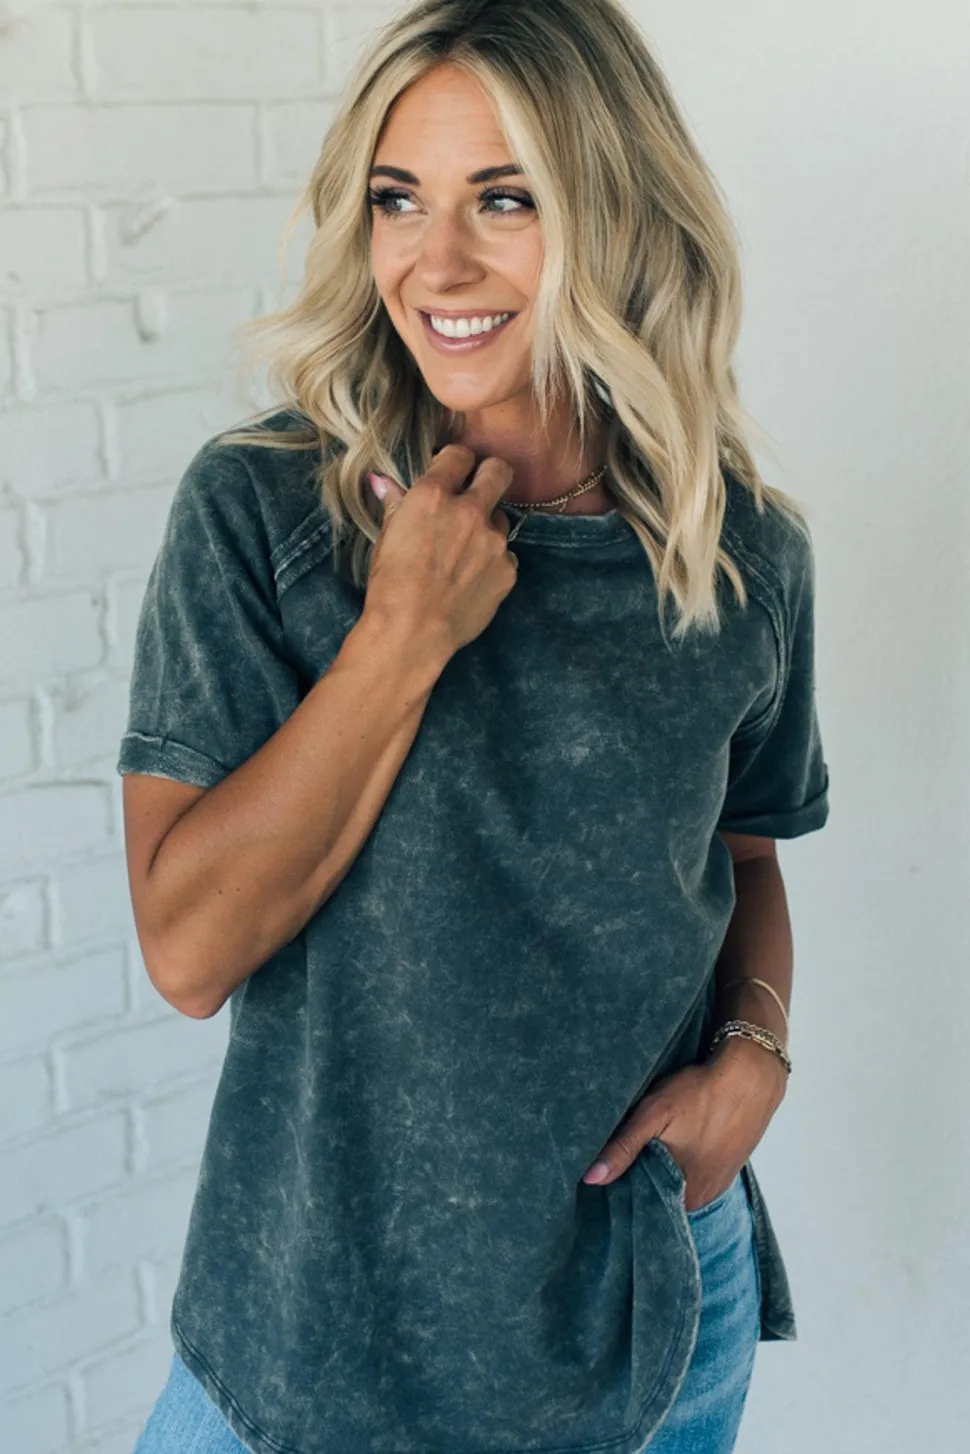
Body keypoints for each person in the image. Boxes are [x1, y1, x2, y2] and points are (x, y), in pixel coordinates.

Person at [120, 2, 831, 1452]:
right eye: (400, 200)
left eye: (505, 199)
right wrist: (401, 634)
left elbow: (746, 855)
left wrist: (756, 1052)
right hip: (305, 1348)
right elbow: (188, 952)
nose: (435, 264)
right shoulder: (262, 513)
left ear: (614, 212)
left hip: (642, 1335)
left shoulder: (737, 552)